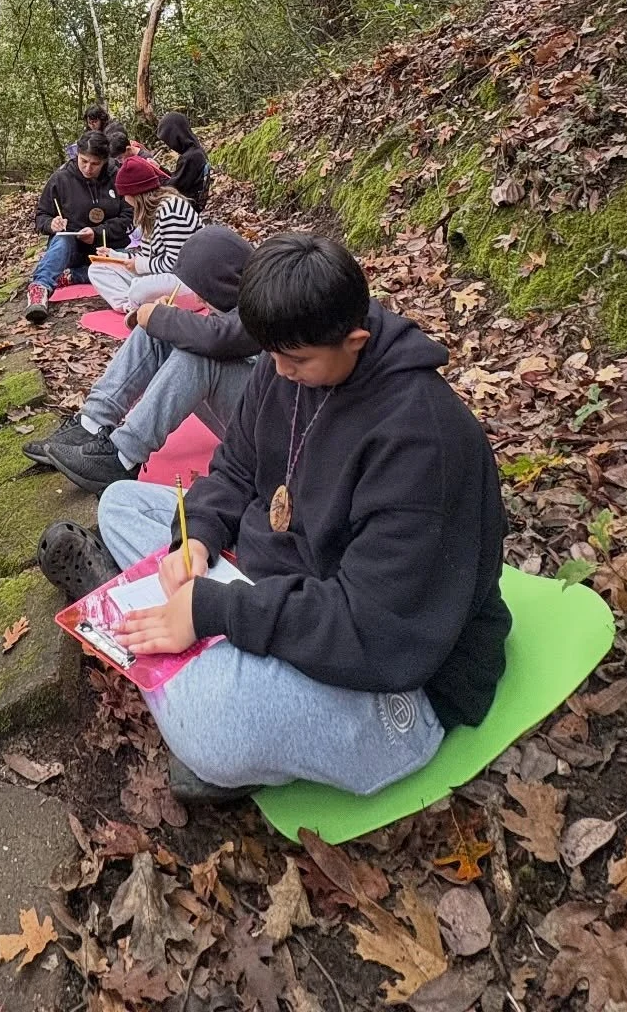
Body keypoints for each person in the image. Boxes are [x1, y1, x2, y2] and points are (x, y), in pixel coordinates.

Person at [38, 232, 510, 802]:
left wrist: (218, 609)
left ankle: (182, 682)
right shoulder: (287, 360)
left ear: (355, 340)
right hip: (282, 574)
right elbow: (235, 467)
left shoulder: (421, 442)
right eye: (274, 356)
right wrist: (201, 537)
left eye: (297, 360)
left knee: (213, 731)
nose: (279, 372)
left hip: (399, 678)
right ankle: (184, 667)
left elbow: (374, 628)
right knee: (122, 503)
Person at [28, 226, 259, 491]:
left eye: (203, 292)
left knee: (199, 354)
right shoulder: (251, 296)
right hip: (252, 412)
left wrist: (156, 316)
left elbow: (221, 338)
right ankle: (92, 422)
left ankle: (123, 458)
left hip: (269, 439)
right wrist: (154, 319)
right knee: (161, 331)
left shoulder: (268, 308)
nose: (196, 298)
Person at [26, 130, 131, 325]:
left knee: (130, 263)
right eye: (84, 161)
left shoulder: (118, 176)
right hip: (73, 249)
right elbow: (41, 216)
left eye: (95, 164)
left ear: (105, 160)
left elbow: (129, 217)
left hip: (107, 248)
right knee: (63, 239)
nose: (88, 168)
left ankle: (73, 276)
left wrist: (98, 233)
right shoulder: (61, 178)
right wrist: (52, 224)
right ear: (77, 155)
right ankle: (40, 288)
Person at [87, 155, 202, 314]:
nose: (126, 200)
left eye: (126, 195)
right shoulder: (149, 213)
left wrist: (139, 266)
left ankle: (138, 304)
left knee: (139, 289)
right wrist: (115, 256)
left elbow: (176, 265)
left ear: (137, 194)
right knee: (97, 269)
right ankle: (131, 307)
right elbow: (146, 255)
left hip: (189, 281)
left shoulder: (171, 212)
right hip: (159, 274)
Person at [156, 112, 211, 213]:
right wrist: (159, 168)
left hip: (187, 207)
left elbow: (172, 187)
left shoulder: (190, 157)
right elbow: (178, 177)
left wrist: (152, 177)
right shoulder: (196, 151)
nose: (169, 145)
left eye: (168, 140)